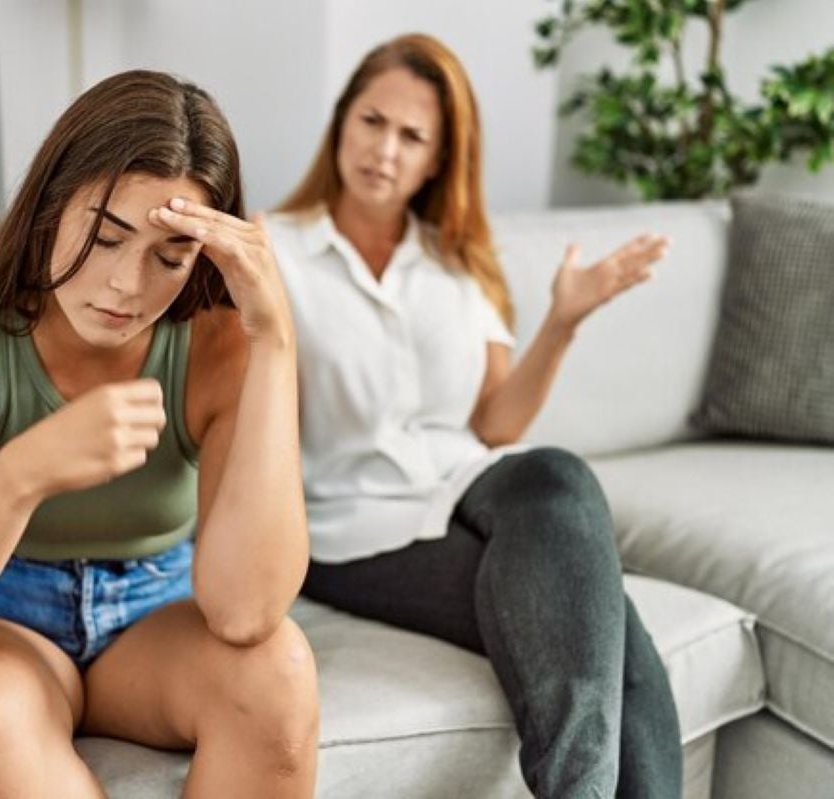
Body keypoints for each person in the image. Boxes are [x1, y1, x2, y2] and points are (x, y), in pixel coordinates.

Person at [0, 70, 318, 798]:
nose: (126, 286)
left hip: (156, 620)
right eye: (105, 236)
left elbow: (244, 611)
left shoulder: (222, 344)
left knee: (280, 672)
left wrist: (274, 340)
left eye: (169, 257)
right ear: (49, 203)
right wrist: (22, 475)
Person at [267, 33, 681, 798]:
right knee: (609, 632)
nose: (384, 150)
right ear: (340, 123)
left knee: (557, 476)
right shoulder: (271, 253)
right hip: (351, 525)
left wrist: (562, 322)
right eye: (371, 120)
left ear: (437, 160)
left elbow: (494, 424)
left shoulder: (459, 263)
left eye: (412, 136)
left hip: (471, 486)